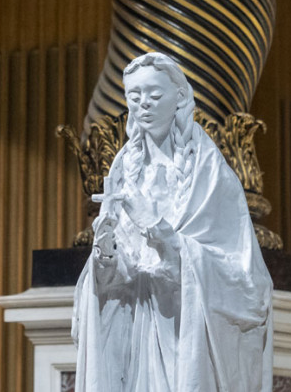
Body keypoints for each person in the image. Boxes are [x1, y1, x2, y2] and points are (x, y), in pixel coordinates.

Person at [72, 52, 273, 391]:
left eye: (153, 94)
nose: (143, 105)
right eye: (134, 97)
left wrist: (159, 229)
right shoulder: (124, 165)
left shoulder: (206, 167)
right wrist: (106, 258)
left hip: (184, 330)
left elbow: (244, 278)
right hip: (135, 328)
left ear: (179, 97)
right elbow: (120, 271)